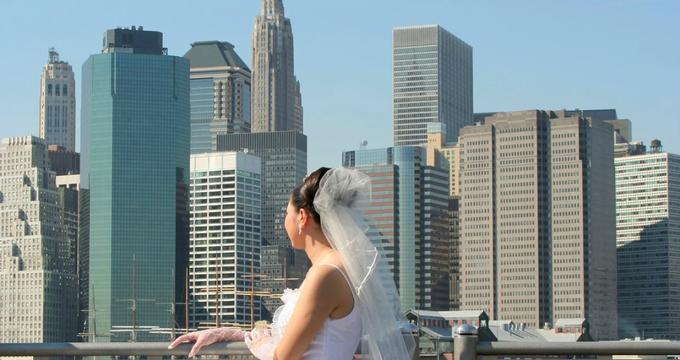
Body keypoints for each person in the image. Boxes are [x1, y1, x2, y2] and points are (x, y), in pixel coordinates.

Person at [168, 167, 415, 360]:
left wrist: (258, 342)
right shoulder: (342, 265)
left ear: (302, 217)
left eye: (286, 214)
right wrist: (230, 334)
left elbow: (284, 355)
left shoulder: (326, 274)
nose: (283, 221)